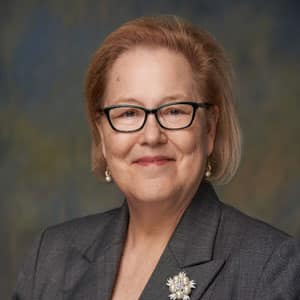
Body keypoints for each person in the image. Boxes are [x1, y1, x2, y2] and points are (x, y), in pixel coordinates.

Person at [14, 15, 300, 300]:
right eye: (129, 113)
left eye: (174, 110)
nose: (151, 136)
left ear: (209, 129)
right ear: (101, 135)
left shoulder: (270, 267)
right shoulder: (52, 256)